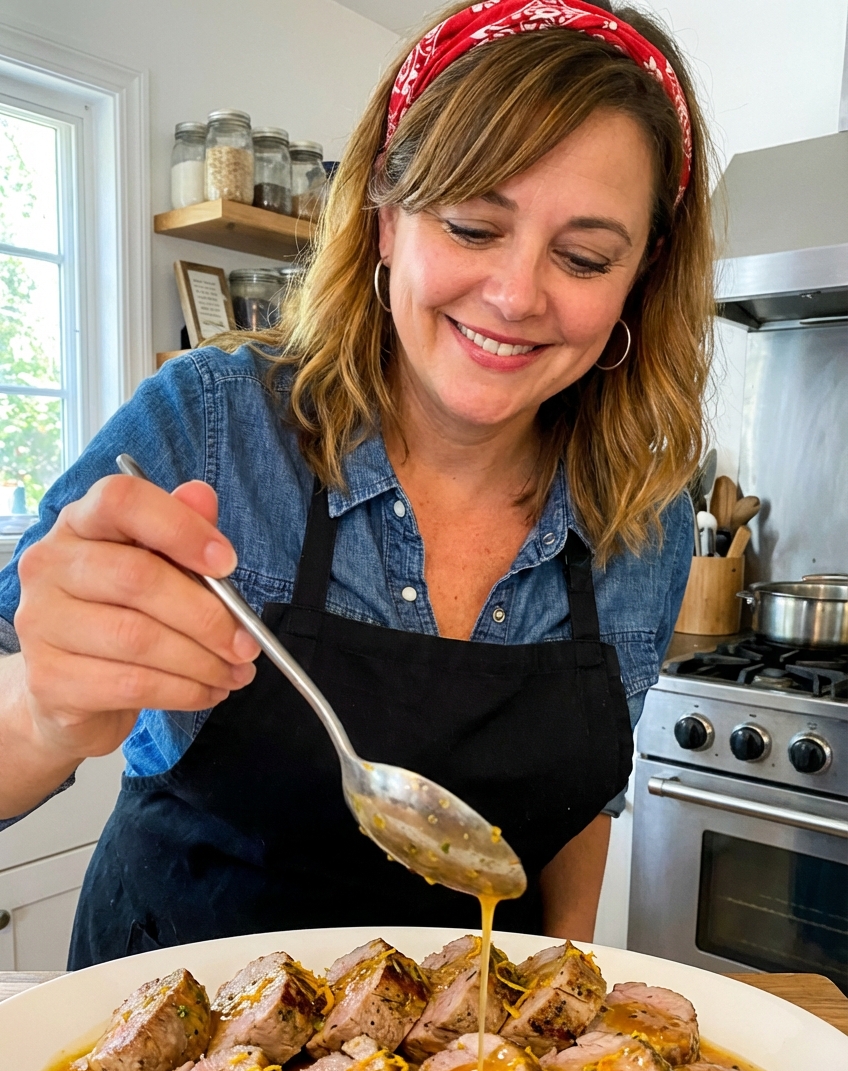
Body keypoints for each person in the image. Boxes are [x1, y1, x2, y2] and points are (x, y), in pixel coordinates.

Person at [0, 0, 714, 967]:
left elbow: (581, 806)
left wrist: (562, 983)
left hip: (459, 1049)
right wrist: (41, 712)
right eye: (472, 226)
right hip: (170, 1026)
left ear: (641, 274)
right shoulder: (209, 425)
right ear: (386, 217)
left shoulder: (647, 519)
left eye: (584, 257)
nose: (516, 295)